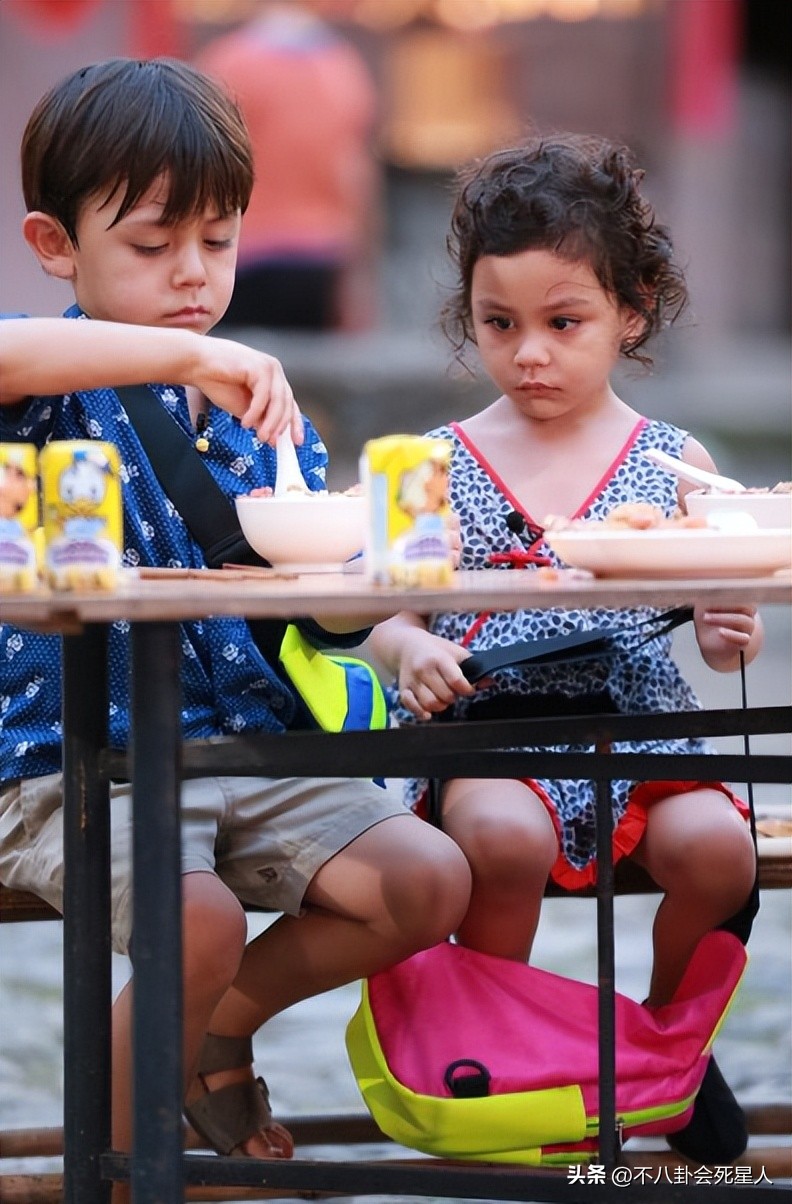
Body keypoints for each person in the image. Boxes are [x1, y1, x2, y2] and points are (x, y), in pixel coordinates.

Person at [0, 58, 471, 1184]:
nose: (193, 277)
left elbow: (294, 609)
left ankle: (219, 1026)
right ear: (57, 245)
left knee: (428, 880)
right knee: (195, 922)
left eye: (217, 242)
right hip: (75, 758)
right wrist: (189, 350)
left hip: (243, 741)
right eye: (153, 247)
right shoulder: (56, 380)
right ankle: (119, 1167)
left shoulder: (261, 406)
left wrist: (364, 598)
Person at [368, 133, 761, 1165]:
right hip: (497, 726)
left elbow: (722, 642)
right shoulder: (440, 463)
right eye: (500, 324)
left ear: (631, 313)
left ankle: (666, 1051)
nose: (529, 352)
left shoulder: (678, 465)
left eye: (563, 322)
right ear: (470, 318)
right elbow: (379, 609)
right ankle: (497, 1062)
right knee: (503, 838)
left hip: (637, 728)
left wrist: (730, 630)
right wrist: (404, 648)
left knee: (722, 853)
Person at [196, 2, 380, 332]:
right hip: (320, 258)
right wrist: (359, 276)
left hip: (242, 254)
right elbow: (354, 178)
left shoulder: (228, 63)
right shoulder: (341, 68)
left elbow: (200, 166)